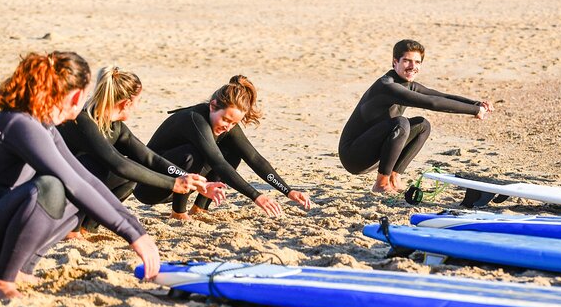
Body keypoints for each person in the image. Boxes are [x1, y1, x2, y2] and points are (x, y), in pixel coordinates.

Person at [0, 52, 160, 299]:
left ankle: (21, 270)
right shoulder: (18, 124)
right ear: (76, 95)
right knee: (51, 187)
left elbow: (86, 179)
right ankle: (2, 283)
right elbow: (72, 183)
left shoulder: (41, 125)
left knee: (77, 191)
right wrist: (132, 236)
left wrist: (137, 229)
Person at [57, 66, 226, 235]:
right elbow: (119, 164)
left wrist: (198, 183)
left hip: (70, 190)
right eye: (138, 102)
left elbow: (150, 158)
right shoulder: (82, 121)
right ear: (127, 103)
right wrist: (173, 184)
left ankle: (87, 227)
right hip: (50, 193)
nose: (137, 107)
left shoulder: (115, 126)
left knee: (129, 178)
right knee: (97, 165)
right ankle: (72, 229)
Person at [133, 75, 311, 219]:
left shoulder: (227, 124)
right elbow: (218, 163)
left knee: (232, 153)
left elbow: (255, 158)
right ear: (212, 106)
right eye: (226, 119)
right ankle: (179, 213)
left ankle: (200, 208)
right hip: (152, 187)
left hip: (184, 184)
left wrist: (288, 191)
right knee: (193, 155)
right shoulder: (195, 119)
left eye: (234, 123)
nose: (227, 126)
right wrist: (257, 196)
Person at [338, 39, 493, 194]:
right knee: (400, 123)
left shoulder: (409, 84)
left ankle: (394, 177)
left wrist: (476, 104)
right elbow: (432, 103)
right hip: (354, 156)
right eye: (407, 61)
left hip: (377, 153)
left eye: (417, 62)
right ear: (395, 62)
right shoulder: (387, 86)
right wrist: (474, 111)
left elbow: (440, 96)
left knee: (422, 125)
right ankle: (381, 184)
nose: (413, 67)